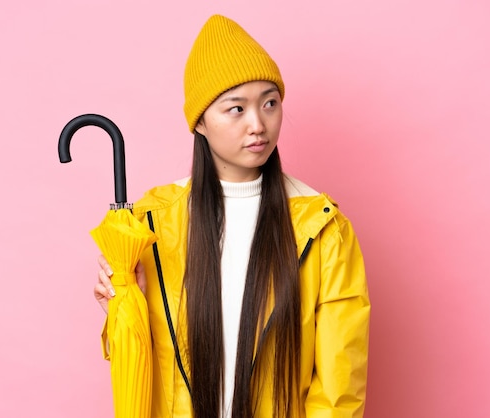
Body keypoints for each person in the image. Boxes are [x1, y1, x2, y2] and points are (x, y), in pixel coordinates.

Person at [94, 14, 370, 418]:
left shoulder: (324, 228)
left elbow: (339, 390)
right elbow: (137, 366)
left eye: (270, 103)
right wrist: (120, 309)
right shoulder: (150, 225)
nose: (258, 125)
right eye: (236, 108)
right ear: (200, 122)